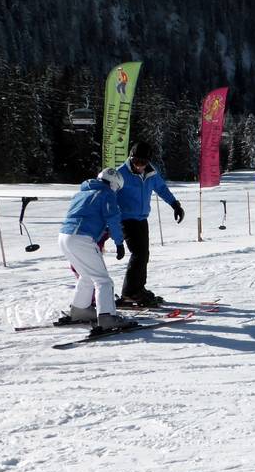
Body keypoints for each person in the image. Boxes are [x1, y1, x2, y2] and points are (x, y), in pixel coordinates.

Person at [58, 168, 135, 331]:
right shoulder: (107, 194)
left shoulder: (81, 193)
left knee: (86, 276)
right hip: (82, 238)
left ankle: (80, 310)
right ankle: (107, 318)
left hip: (64, 237)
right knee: (103, 280)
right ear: (114, 184)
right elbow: (113, 218)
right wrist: (119, 243)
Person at [115, 142, 184, 306]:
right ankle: (129, 292)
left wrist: (175, 204)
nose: (139, 165)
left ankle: (139, 288)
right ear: (130, 158)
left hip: (141, 219)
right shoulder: (120, 173)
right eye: (136, 161)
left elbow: (161, 188)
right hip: (125, 219)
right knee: (138, 254)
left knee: (144, 254)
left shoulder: (151, 173)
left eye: (143, 162)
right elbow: (108, 196)